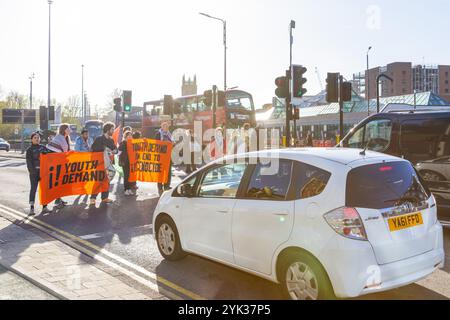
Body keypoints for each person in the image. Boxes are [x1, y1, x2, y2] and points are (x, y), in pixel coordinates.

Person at [90, 122, 118, 205]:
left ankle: (104, 197)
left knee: (107, 181)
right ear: (108, 130)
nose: (113, 131)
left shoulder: (111, 140)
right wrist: (104, 148)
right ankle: (93, 198)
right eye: (112, 129)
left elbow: (115, 150)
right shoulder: (99, 139)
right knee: (98, 180)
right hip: (99, 163)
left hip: (108, 163)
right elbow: (93, 149)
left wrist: (114, 151)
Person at [46, 124, 71, 208]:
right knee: (58, 181)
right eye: (68, 129)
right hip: (55, 162)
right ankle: (56, 200)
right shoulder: (60, 138)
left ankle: (58, 199)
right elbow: (65, 153)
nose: (70, 130)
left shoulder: (65, 138)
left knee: (60, 181)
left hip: (59, 162)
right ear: (64, 130)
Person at [26, 132, 51, 216]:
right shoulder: (29, 150)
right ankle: (31, 208)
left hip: (43, 172)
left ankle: (45, 207)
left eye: (38, 137)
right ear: (31, 139)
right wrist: (33, 173)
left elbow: (52, 155)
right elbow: (29, 163)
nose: (37, 139)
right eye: (35, 138)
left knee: (44, 189)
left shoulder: (43, 148)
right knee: (33, 189)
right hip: (34, 173)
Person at [155, 122, 174, 196]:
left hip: (168, 156)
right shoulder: (158, 134)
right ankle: (160, 187)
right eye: (164, 126)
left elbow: (172, 142)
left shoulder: (169, 134)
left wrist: (172, 143)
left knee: (168, 172)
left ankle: (166, 186)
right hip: (161, 156)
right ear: (161, 127)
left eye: (167, 126)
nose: (166, 127)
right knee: (160, 173)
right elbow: (156, 144)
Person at [119, 131, 134, 196]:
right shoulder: (123, 143)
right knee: (126, 176)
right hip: (125, 162)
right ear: (125, 136)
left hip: (131, 162)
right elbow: (119, 152)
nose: (130, 137)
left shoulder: (132, 143)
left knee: (131, 176)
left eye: (131, 135)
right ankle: (126, 189)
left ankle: (129, 189)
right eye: (128, 135)